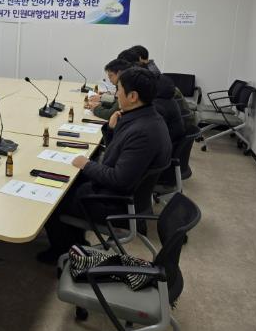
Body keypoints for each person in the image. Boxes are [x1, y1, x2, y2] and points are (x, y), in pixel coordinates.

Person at [38, 67, 172, 264]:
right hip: (125, 194)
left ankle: (63, 252)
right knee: (68, 180)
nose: (115, 94)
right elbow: (117, 155)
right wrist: (111, 130)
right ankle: (75, 241)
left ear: (133, 96)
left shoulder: (142, 132)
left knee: (54, 198)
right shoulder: (145, 117)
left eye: (119, 89)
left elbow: (119, 179)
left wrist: (86, 164)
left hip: (117, 204)